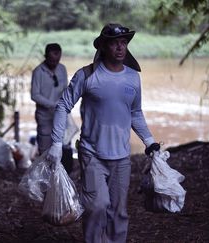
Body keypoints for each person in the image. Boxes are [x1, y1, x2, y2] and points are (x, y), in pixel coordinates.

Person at [46, 23, 160, 242]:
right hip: (92, 155)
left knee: (119, 213)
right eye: (115, 43)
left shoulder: (133, 78)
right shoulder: (87, 75)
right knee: (97, 207)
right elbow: (63, 106)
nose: (120, 47)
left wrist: (150, 142)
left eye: (124, 43)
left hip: (121, 158)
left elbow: (135, 112)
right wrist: (56, 143)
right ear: (104, 47)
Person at [30, 43, 74, 173]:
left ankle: (61, 176)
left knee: (63, 145)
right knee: (45, 150)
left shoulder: (62, 69)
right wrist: (52, 104)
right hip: (44, 117)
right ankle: (45, 179)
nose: (55, 63)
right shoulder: (38, 72)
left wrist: (67, 103)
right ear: (45, 57)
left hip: (60, 115)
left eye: (57, 60)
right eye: (52, 60)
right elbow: (34, 95)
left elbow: (65, 89)